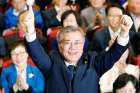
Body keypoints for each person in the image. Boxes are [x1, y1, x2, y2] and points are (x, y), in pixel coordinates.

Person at [22, 6, 133, 93]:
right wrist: (30, 29)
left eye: (77, 43)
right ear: (60, 46)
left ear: (83, 44)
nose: (73, 47)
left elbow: (114, 54)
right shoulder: (52, 61)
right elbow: (37, 53)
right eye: (67, 43)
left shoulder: (93, 61)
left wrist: (124, 32)